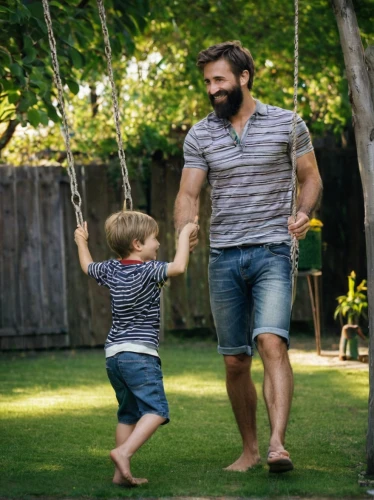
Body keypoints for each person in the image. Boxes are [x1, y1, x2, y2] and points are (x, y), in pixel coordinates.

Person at [174, 41, 323, 473]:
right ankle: (251, 448)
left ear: (244, 77)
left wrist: (302, 211)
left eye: (219, 80)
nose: (212, 89)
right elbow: (187, 192)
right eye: (207, 82)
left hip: (273, 250)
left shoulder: (287, 123)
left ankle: (278, 444)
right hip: (223, 256)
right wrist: (187, 228)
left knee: (271, 341)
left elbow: (310, 178)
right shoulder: (201, 133)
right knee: (235, 360)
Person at [74, 211, 198, 486]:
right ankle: (124, 452)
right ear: (137, 244)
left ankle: (121, 475)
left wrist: (81, 241)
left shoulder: (110, 269)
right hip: (140, 355)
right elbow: (178, 267)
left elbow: (87, 266)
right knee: (157, 410)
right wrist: (184, 233)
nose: (158, 244)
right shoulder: (148, 270)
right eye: (154, 239)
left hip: (114, 357)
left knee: (128, 413)